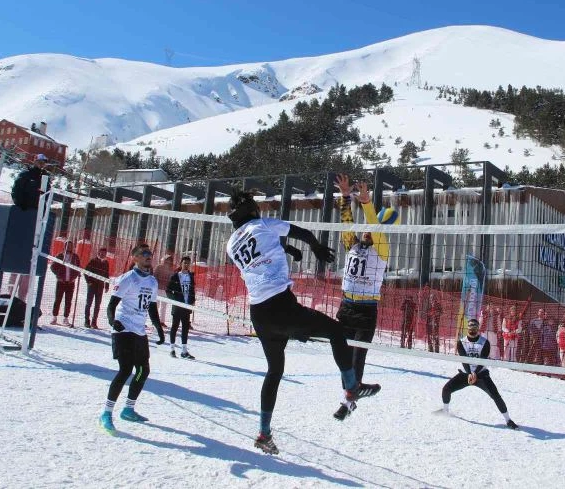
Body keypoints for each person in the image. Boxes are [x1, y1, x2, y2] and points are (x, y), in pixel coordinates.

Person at [225, 189, 380, 455]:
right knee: (335, 331)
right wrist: (315, 248)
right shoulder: (264, 224)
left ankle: (264, 433)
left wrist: (290, 250)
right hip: (281, 306)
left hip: (259, 314)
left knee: (274, 372)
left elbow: (260, 247)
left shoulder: (230, 244)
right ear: (252, 209)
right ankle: (352, 388)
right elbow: (304, 232)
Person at [334, 174, 394, 419]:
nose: (368, 231)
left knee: (357, 358)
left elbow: (375, 226)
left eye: (372, 229)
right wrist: (346, 197)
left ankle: (348, 402)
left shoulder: (382, 247)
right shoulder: (353, 244)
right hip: (346, 307)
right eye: (367, 229)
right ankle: (354, 391)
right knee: (343, 358)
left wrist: (367, 203)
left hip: (366, 311)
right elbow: (346, 222)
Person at [99, 245, 165, 435]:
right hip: (124, 328)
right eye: (144, 254)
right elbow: (112, 304)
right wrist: (113, 322)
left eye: (150, 254)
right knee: (125, 370)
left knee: (143, 370)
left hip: (139, 331)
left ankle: (128, 409)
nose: (148, 257)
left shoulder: (152, 281)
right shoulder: (128, 278)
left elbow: (151, 308)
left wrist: (159, 328)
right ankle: (106, 413)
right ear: (135, 257)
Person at [440, 318, 518, 429]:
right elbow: (464, 360)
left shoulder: (485, 342)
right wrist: (469, 374)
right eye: (470, 329)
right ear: (468, 329)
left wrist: (475, 374)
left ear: (478, 329)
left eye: (474, 329)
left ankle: (508, 420)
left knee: (496, 396)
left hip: (481, 374)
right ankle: (445, 411)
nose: (472, 331)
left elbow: (483, 360)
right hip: (465, 374)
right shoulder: (461, 342)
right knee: (446, 389)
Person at [166, 255, 196, 359]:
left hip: (186, 306)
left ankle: (184, 350)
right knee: (174, 326)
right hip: (178, 306)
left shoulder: (191, 276)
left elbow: (192, 290)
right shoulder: (175, 276)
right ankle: (172, 349)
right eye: (185, 263)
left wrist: (192, 300)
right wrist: (175, 300)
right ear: (181, 264)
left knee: (185, 328)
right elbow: (168, 291)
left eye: (188, 263)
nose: (187, 265)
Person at [50, 240, 81, 326]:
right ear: (65, 246)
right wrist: (58, 276)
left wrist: (74, 277)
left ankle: (66, 318)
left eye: (71, 246)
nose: (69, 247)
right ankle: (54, 317)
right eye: (67, 245)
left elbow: (78, 269)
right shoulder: (60, 256)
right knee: (58, 300)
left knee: (68, 301)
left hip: (70, 283)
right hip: (61, 282)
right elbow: (53, 267)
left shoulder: (75, 257)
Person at [84, 247, 110, 328]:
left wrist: (106, 286)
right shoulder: (93, 261)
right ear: (98, 253)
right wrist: (89, 282)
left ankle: (94, 322)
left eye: (104, 254)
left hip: (100, 287)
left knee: (97, 305)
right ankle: (86, 321)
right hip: (92, 286)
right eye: (101, 253)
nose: (102, 255)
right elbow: (86, 272)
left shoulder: (106, 263)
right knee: (89, 303)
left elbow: (106, 275)